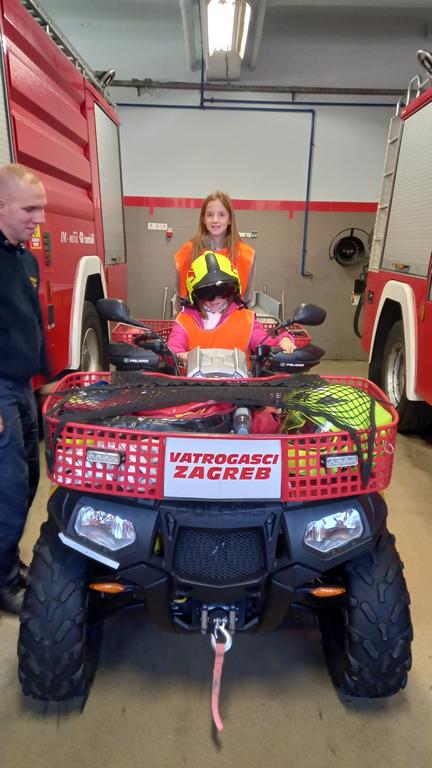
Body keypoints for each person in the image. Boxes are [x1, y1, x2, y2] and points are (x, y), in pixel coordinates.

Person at [0, 163, 49, 615]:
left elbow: (34, 321)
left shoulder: (24, 258)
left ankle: (10, 564)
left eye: (42, 209)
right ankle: (3, 581)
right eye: (30, 209)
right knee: (8, 488)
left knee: (30, 477)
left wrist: (47, 380)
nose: (40, 219)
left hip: (22, 387)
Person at [168, 250, 296, 364]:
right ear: (194, 295)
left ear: (233, 290)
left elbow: (263, 343)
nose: (215, 299)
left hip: (240, 382)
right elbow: (173, 347)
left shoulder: (246, 319)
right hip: (195, 381)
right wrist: (180, 356)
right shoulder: (184, 320)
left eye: (223, 291)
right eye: (207, 293)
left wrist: (283, 340)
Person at [174, 191, 255, 307]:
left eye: (221, 215)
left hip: (233, 316)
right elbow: (181, 300)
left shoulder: (246, 255)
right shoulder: (188, 252)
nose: (215, 220)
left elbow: (247, 301)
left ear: (230, 219)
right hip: (197, 315)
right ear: (203, 219)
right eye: (210, 215)